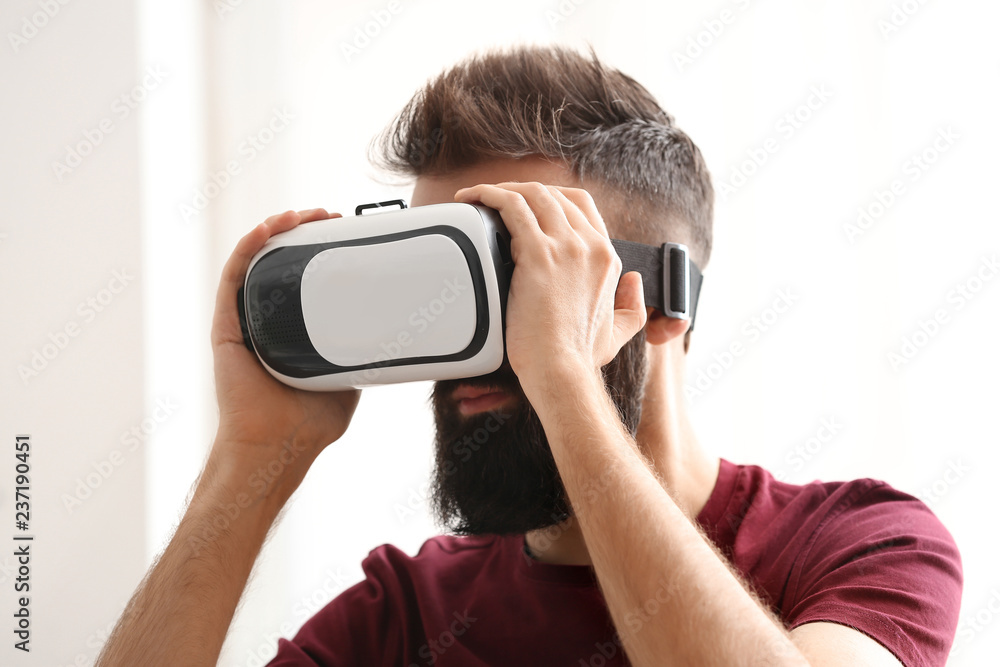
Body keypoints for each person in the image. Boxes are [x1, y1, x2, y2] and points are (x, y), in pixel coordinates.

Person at [97, 45, 962, 667]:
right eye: (442, 267)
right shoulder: (406, 618)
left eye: (514, 267)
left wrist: (565, 384)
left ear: (658, 300)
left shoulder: (859, 543)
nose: (467, 334)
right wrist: (252, 457)